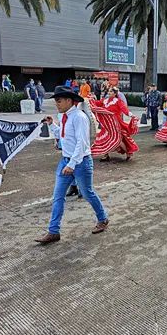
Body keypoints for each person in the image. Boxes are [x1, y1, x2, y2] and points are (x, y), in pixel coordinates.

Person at [35, 85, 108, 244]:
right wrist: (52, 125)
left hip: (81, 163)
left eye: (59, 100)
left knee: (88, 193)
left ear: (69, 100)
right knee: (58, 196)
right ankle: (53, 231)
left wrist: (72, 164)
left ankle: (102, 218)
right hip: (65, 161)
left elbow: (81, 144)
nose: (56, 104)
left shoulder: (79, 117)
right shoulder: (63, 115)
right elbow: (64, 136)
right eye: (56, 101)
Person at [90, 87, 139, 162]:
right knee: (106, 138)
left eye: (111, 91)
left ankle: (128, 153)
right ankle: (106, 155)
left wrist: (131, 115)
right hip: (107, 124)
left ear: (115, 93)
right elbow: (96, 103)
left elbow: (124, 110)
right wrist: (89, 99)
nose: (109, 93)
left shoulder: (118, 101)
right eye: (108, 91)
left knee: (118, 139)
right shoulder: (104, 100)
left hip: (116, 124)